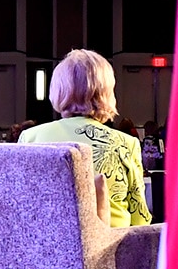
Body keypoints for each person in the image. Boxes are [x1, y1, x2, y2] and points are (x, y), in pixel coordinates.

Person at [18, 49, 152, 227]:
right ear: (107, 92)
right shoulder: (126, 143)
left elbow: (20, 206)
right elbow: (140, 217)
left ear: (58, 89)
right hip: (112, 248)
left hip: (49, 247)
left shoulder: (30, 137)